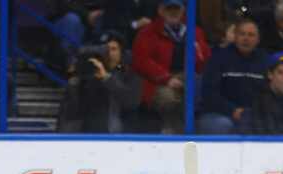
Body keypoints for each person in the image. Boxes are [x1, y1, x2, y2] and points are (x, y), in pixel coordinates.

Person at [132, 0, 211, 134]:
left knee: (197, 87)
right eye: (169, 8)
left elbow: (204, 62)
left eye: (177, 8)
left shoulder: (195, 32)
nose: (173, 12)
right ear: (160, 11)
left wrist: (198, 52)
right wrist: (167, 78)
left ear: (183, 10)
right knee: (167, 97)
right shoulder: (147, 32)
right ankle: (171, 130)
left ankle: (191, 130)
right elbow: (141, 61)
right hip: (158, 81)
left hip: (187, 77)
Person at [57, 31, 142, 132]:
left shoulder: (131, 74)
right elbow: (72, 114)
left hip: (123, 138)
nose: (108, 53)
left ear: (122, 53)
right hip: (92, 136)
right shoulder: (89, 74)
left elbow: (131, 102)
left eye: (113, 49)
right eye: (105, 49)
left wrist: (106, 78)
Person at [198, 18, 267, 134]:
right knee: (223, 125)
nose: (246, 38)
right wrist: (232, 110)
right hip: (219, 114)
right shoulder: (218, 58)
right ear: (235, 36)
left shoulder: (264, 61)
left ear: (258, 40)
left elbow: (267, 93)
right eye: (242, 34)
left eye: (251, 35)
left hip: (252, 115)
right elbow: (209, 94)